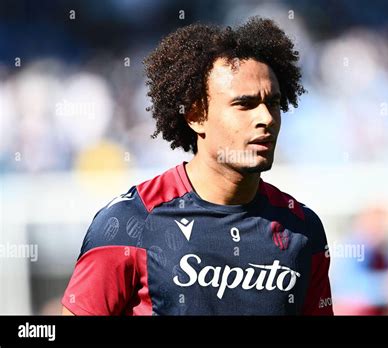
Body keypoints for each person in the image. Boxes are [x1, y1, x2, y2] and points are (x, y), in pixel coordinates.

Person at [61, 17, 333, 315]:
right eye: (244, 104)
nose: (266, 118)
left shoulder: (303, 229)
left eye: (273, 103)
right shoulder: (130, 222)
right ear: (195, 115)